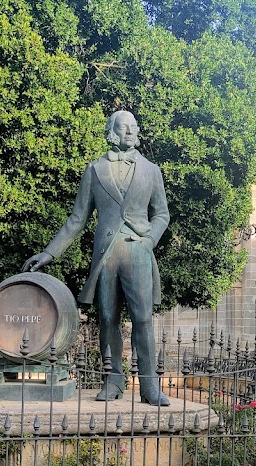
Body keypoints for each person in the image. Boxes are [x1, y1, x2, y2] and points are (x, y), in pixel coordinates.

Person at [23, 110, 170, 405]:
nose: (130, 131)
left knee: (142, 319)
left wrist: (148, 241)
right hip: (106, 254)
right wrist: (50, 252)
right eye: (123, 127)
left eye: (133, 127)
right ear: (112, 131)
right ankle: (113, 381)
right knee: (107, 319)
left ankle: (150, 387)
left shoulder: (151, 170)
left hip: (138, 250)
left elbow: (162, 214)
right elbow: (77, 220)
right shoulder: (94, 169)